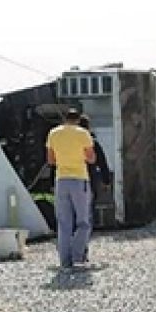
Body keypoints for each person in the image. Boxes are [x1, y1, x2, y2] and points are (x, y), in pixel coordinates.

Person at [46, 108, 95, 272]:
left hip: (61, 178)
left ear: (64, 118)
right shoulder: (83, 133)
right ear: (78, 119)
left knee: (64, 222)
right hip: (79, 178)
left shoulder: (53, 133)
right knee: (83, 221)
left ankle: (64, 261)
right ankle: (77, 257)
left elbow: (51, 160)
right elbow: (91, 158)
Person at [77, 114, 112, 261]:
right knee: (87, 217)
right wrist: (106, 181)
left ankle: (73, 249)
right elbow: (102, 164)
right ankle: (82, 250)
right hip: (89, 182)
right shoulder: (92, 143)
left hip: (69, 181)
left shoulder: (69, 143)